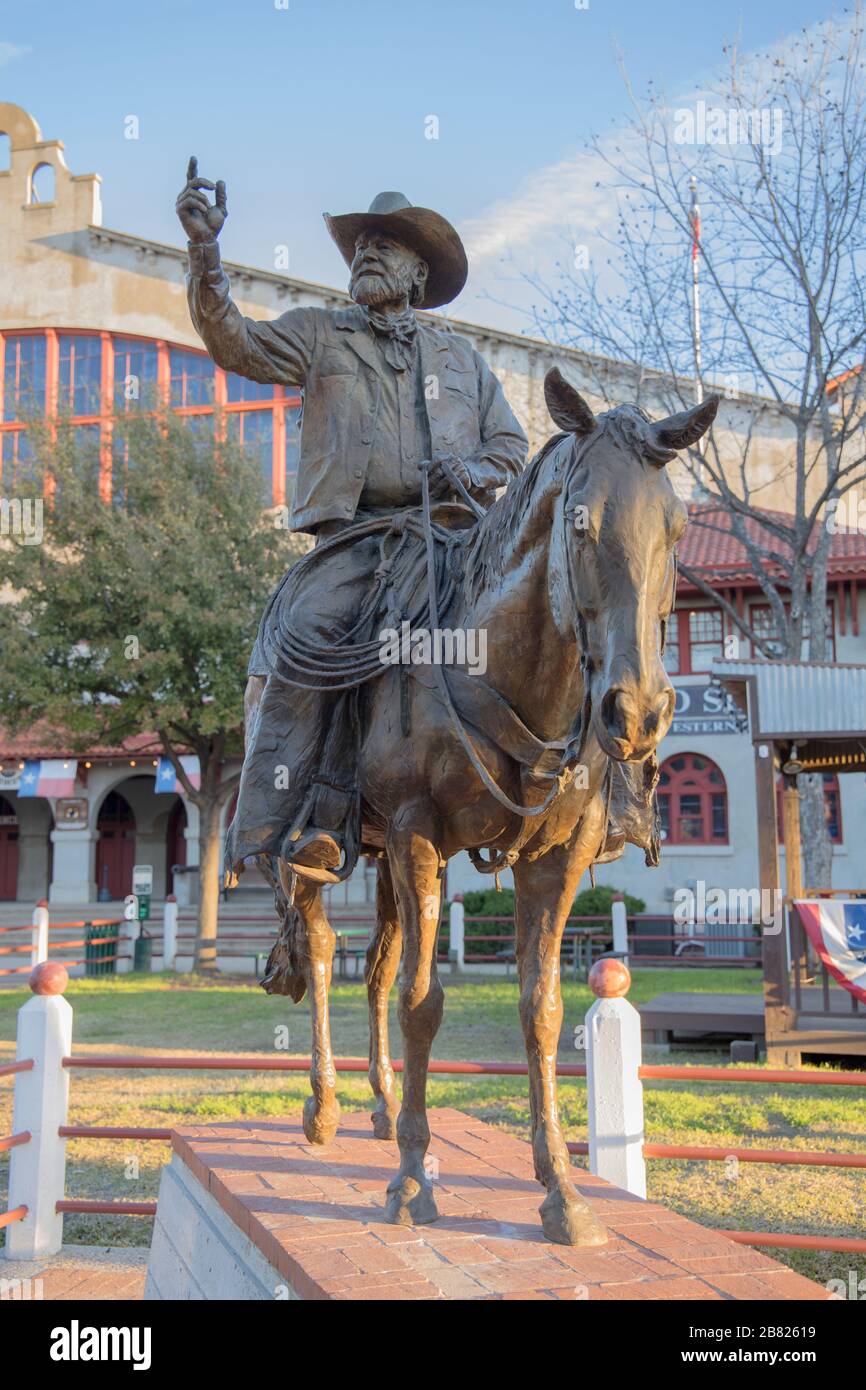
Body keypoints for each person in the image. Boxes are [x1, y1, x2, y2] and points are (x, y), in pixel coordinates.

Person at [176, 162, 527, 880]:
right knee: (307, 638)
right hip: (356, 541)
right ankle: (288, 821)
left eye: (387, 244)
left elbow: (511, 448)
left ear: (419, 275)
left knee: (554, 609)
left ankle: (597, 798)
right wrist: (205, 255)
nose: (368, 251)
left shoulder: (462, 357)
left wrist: (473, 473)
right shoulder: (319, 334)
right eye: (363, 242)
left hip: (458, 541)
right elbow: (232, 340)